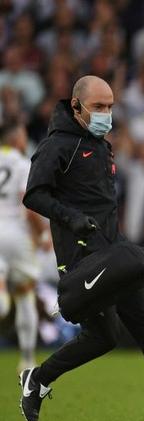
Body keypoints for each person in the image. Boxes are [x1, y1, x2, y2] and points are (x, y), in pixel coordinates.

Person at [19, 76, 144, 421]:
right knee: (104, 337)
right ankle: (38, 379)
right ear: (76, 106)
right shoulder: (58, 145)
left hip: (112, 251)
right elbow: (34, 194)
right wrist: (73, 219)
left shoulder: (99, 143)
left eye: (110, 106)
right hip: (82, 258)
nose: (106, 113)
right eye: (99, 107)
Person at [0, 123, 46, 373]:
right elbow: (26, 204)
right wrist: (42, 234)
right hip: (14, 233)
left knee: (5, 292)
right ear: (17, 138)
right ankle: (27, 360)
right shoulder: (20, 163)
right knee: (25, 293)